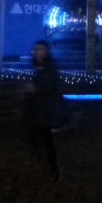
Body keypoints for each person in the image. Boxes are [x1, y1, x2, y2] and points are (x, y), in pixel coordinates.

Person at [22, 40, 63, 180]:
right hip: (36, 111)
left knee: (44, 141)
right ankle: (47, 169)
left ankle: (52, 171)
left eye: (41, 49)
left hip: (45, 111)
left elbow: (53, 86)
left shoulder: (50, 67)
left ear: (46, 51)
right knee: (40, 141)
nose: (38, 52)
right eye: (36, 49)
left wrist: (36, 89)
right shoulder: (36, 66)